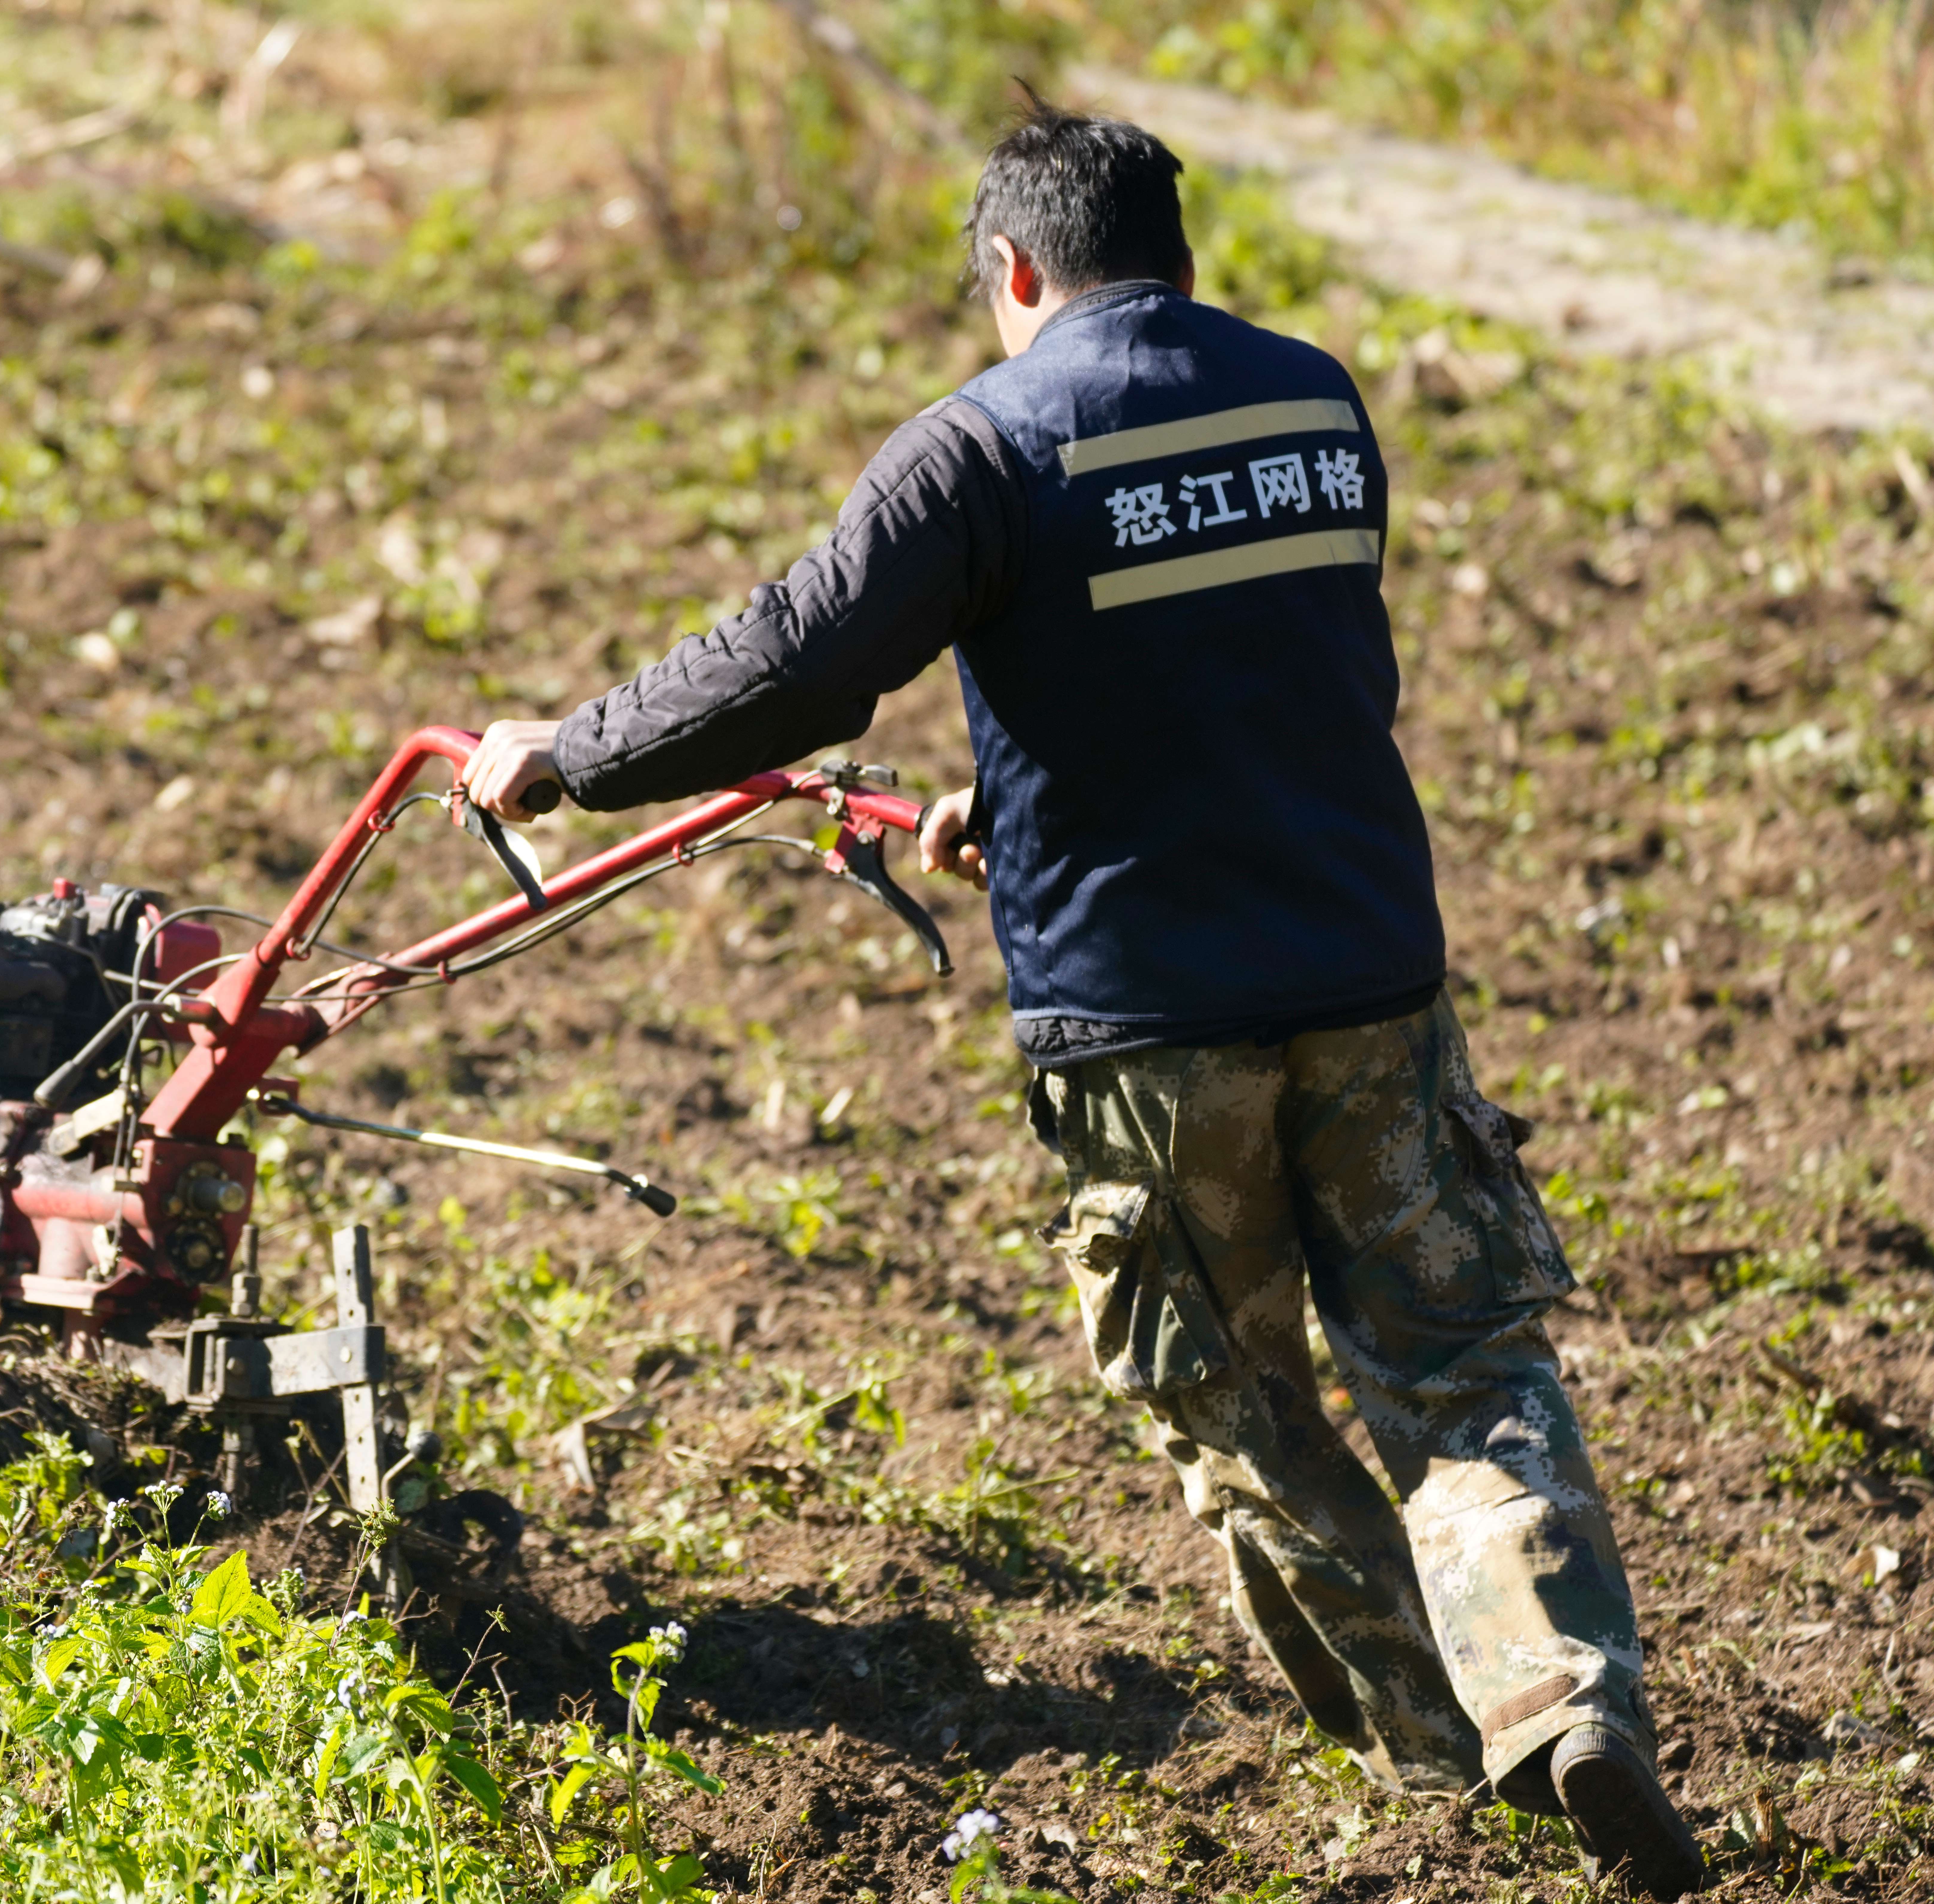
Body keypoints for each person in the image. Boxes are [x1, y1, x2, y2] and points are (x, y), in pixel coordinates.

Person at [458, 98, 1707, 1900]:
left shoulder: (980, 448)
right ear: (1178, 258)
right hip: (1367, 976)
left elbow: (799, 667)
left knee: (1239, 1405)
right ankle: (1569, 1703)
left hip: (1148, 1024)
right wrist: (1025, 799)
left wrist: (570, 751)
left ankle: (1459, 1760)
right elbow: (1256, 665)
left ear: (1016, 270)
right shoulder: (1314, 401)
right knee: (1462, 1361)